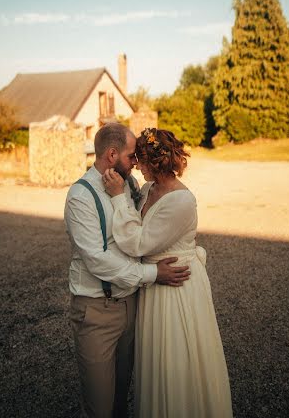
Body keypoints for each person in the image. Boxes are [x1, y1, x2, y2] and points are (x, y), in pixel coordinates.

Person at [103, 127, 233, 418]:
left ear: (153, 163)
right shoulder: (149, 189)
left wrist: (116, 198)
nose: (136, 164)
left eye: (139, 159)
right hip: (155, 281)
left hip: (177, 285)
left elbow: (138, 243)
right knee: (157, 358)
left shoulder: (181, 201)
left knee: (177, 355)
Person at [64, 123, 191, 418]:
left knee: (123, 398)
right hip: (97, 311)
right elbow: (97, 259)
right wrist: (153, 274)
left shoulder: (131, 185)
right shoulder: (81, 196)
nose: (136, 161)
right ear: (111, 154)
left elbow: (139, 231)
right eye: (131, 156)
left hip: (133, 306)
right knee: (100, 406)